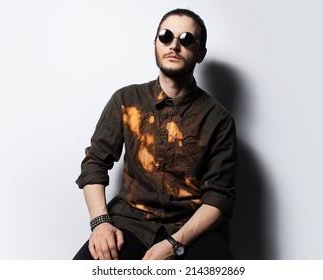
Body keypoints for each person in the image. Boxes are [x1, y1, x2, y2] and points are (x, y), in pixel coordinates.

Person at [73, 8, 237, 260]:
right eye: (165, 36)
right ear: (155, 44)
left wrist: (173, 244)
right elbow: (95, 163)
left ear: (200, 53)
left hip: (192, 231)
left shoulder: (219, 119)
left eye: (186, 39)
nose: (174, 45)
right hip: (130, 223)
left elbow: (219, 198)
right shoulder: (126, 100)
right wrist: (101, 223)